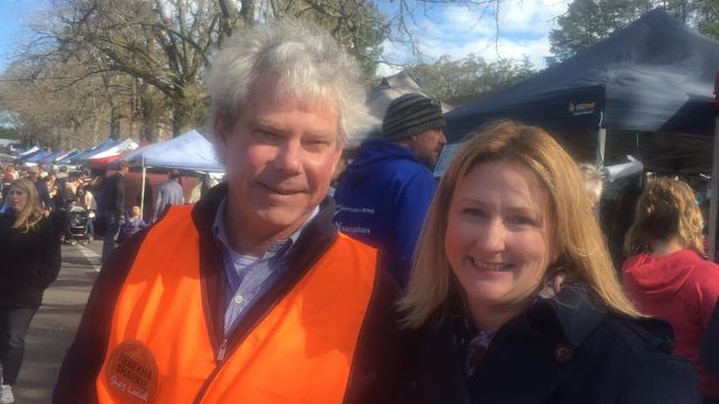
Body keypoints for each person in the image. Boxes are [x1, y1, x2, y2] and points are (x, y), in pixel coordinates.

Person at [53, 20, 410, 403]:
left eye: (315, 142)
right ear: (224, 131)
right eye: (269, 134)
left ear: (337, 155)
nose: (290, 162)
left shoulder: (376, 297)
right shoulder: (141, 253)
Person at [400, 120, 700, 404]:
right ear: (444, 221)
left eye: (522, 219)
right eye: (473, 212)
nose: (491, 242)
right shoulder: (406, 341)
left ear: (562, 235)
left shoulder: (636, 373)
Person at [333, 92, 447, 287]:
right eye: (437, 130)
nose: (443, 139)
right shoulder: (414, 176)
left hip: (345, 288)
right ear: (414, 132)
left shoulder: (353, 171)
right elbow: (417, 256)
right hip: (391, 303)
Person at [623, 176, 719, 403]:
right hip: (701, 391)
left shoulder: (629, 271)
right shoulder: (706, 275)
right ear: (691, 218)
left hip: (646, 386)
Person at [0, 178, 61, 404]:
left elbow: (53, 261)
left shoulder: (43, 225)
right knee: (2, 338)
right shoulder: (2, 221)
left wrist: (37, 283)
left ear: (30, 197)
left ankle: (7, 384)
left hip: (25, 296)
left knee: (14, 339)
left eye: (20, 193)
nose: (15, 197)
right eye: (12, 193)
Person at [100, 160, 128, 263]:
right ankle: (108, 257)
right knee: (113, 234)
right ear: (125, 168)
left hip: (108, 208)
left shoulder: (111, 179)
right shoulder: (119, 181)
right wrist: (121, 213)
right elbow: (119, 197)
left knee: (109, 234)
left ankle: (105, 256)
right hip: (114, 210)